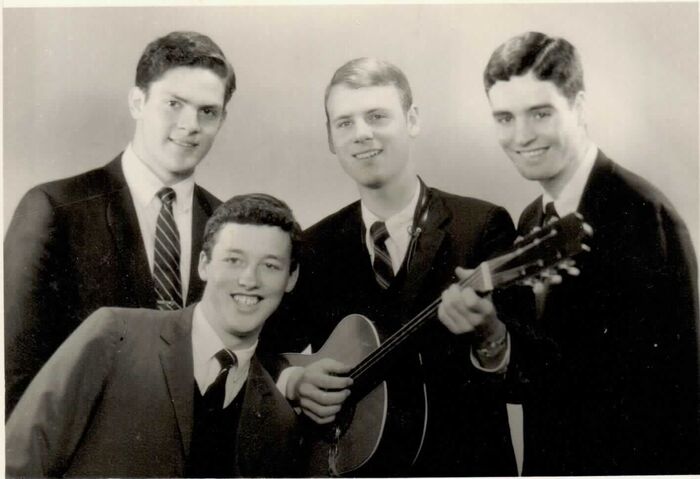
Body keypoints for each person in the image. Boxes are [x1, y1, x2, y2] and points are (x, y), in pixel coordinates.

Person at [262, 57, 522, 477]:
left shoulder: (482, 227)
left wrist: (490, 336)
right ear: (331, 139)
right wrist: (294, 381)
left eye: (377, 116)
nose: (362, 133)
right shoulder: (313, 246)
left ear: (412, 119)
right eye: (344, 122)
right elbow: (262, 354)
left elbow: (525, 381)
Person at [483, 31, 700, 475]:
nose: (521, 136)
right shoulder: (531, 220)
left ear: (579, 108)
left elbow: (681, 400)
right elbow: (545, 375)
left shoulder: (646, 216)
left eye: (539, 113)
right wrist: (492, 340)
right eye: (504, 118)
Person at [4, 31, 235, 415]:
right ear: (137, 102)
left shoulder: (227, 224)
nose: (190, 124)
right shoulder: (55, 209)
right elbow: (17, 375)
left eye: (207, 111)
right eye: (174, 103)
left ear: (222, 119)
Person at [6, 193, 306, 478]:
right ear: (204, 264)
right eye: (233, 260)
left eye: (270, 266)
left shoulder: (278, 419)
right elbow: (17, 463)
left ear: (290, 278)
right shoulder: (115, 335)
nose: (248, 280)